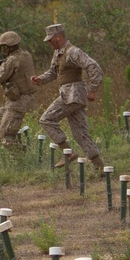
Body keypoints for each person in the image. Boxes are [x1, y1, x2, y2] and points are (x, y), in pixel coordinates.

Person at [30, 23, 105, 170]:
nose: (49, 43)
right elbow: (53, 73)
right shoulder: (58, 53)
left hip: (73, 95)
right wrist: (40, 80)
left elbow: (93, 66)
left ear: (58, 37)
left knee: (46, 119)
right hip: (70, 95)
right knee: (80, 133)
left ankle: (68, 153)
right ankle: (100, 167)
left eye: (50, 40)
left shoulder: (73, 52)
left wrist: (93, 89)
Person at [0, 31, 36, 150]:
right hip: (15, 100)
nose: (3, 50)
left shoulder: (12, 60)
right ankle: (19, 147)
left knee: (6, 135)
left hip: (19, 101)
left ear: (11, 46)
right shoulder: (26, 54)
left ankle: (19, 158)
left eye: (4, 47)